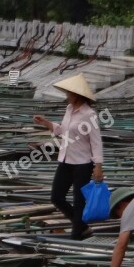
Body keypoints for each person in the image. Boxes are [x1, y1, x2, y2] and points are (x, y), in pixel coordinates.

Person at [33, 74, 104, 240]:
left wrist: (98, 166)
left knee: (79, 201)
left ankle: (76, 236)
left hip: (82, 163)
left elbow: (96, 142)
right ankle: (81, 225)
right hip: (65, 160)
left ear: (77, 95)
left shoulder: (89, 114)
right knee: (56, 197)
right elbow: (64, 131)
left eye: (68, 93)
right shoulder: (69, 110)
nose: (66, 96)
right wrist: (47, 123)